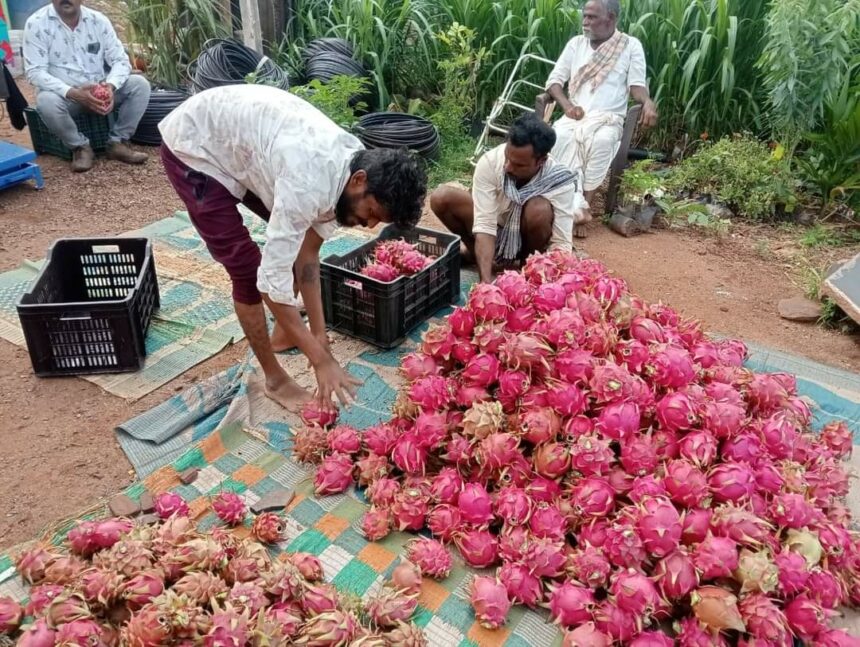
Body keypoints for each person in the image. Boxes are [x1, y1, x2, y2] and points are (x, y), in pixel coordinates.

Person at [158, 84, 427, 413]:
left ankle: (287, 332)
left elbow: (307, 255)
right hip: (195, 146)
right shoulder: (308, 183)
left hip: (246, 145)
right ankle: (275, 380)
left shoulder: (353, 174)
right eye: (371, 213)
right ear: (359, 180)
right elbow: (268, 281)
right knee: (247, 269)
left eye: (377, 220)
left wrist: (320, 335)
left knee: (290, 242)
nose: (368, 225)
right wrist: (318, 360)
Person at [544, 0, 658, 237]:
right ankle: (566, 204)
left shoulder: (629, 46)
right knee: (561, 136)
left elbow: (637, 88)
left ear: (612, 18)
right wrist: (567, 106)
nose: (585, 22)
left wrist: (647, 102)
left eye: (592, 17)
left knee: (601, 141)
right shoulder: (576, 44)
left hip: (608, 119)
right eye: (584, 16)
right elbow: (555, 82)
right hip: (575, 116)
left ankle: (582, 209)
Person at [430, 113, 584, 284]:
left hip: (529, 239)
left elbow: (561, 243)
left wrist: (559, 279)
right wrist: (485, 284)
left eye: (519, 164)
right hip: (496, 228)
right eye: (508, 157)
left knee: (538, 209)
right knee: (442, 197)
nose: (507, 167)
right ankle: (477, 254)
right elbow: (485, 225)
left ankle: (526, 270)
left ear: (541, 161)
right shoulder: (490, 162)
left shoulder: (559, 181)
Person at [23, 0, 150, 172]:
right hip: (66, 98)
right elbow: (35, 72)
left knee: (139, 85)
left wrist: (110, 87)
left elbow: (120, 60)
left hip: (100, 92)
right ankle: (80, 147)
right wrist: (73, 92)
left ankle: (118, 142)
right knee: (46, 101)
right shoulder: (36, 23)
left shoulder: (98, 20)